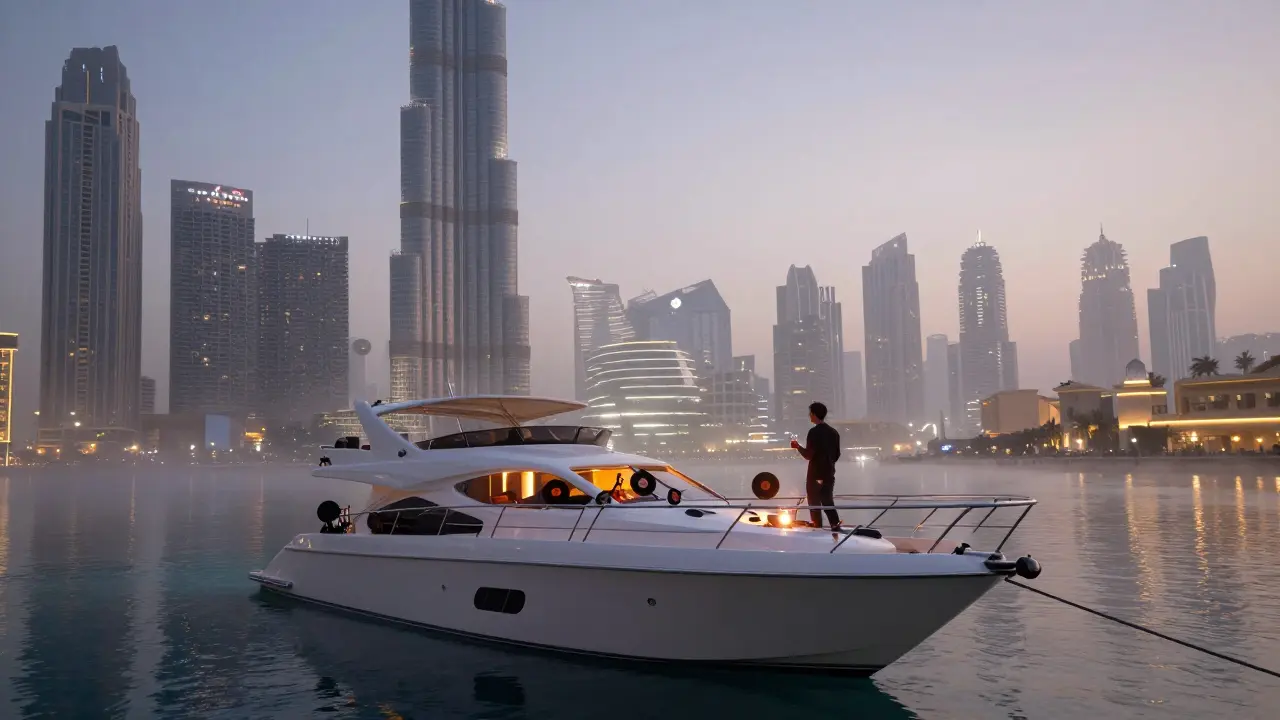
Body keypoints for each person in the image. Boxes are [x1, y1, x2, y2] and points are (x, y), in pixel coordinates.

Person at [790, 401, 842, 530]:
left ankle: (817, 528)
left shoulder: (814, 432)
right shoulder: (834, 432)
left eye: (810, 413)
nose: (809, 416)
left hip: (815, 475)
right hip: (829, 473)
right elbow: (837, 455)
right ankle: (835, 526)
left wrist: (797, 447)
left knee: (814, 503)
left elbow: (808, 455)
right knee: (828, 502)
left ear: (814, 414)